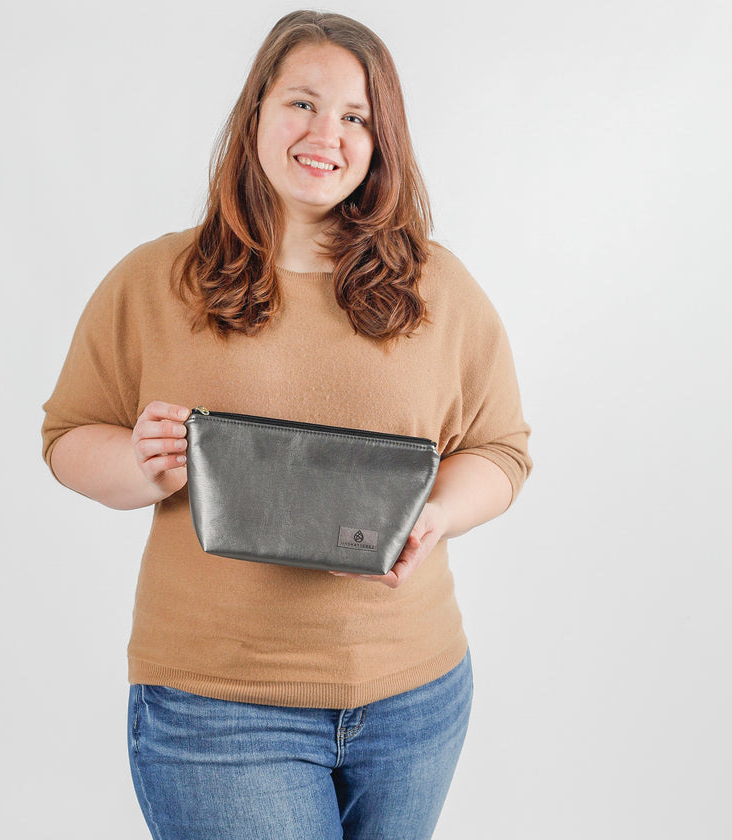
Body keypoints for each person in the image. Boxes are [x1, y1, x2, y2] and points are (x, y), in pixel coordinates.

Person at [41, 9, 532, 839]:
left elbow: (500, 449)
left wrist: (440, 514)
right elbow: (66, 438)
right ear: (257, 111)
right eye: (302, 104)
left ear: (382, 143)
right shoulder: (156, 280)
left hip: (415, 700)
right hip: (219, 712)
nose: (325, 134)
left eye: (355, 117)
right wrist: (140, 465)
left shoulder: (437, 288)